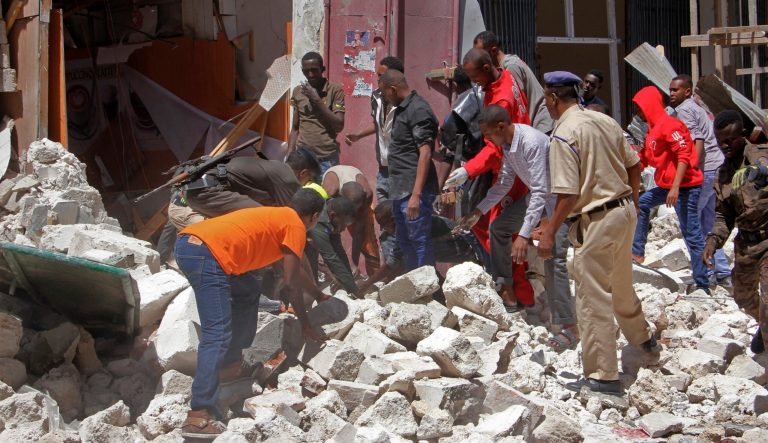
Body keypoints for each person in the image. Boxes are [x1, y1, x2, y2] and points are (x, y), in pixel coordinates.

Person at [539, 71, 659, 394]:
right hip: (623, 213)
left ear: (552, 98)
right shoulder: (603, 121)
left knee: (592, 299)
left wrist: (549, 232)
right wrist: (631, 203)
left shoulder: (563, 134)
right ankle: (644, 340)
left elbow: (567, 193)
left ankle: (603, 376)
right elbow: (634, 164)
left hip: (596, 219)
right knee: (620, 283)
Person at [177, 189, 328, 439]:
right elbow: (290, 282)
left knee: (247, 290)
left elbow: (295, 272)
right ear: (314, 217)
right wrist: (305, 323)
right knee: (217, 334)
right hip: (207, 256)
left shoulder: (279, 217)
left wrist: (318, 294)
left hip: (192, 245)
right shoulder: (296, 226)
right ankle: (199, 414)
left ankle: (228, 366)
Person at [444, 48, 533, 309]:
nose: (475, 84)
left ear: (485, 69)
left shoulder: (501, 100)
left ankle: (515, 294)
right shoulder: (507, 78)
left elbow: (494, 150)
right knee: (488, 224)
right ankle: (515, 290)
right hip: (514, 165)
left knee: (500, 230)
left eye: (476, 78)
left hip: (511, 169)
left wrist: (467, 170)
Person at [631, 86, 710, 294]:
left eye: (641, 108)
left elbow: (684, 154)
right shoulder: (652, 132)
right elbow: (645, 159)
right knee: (643, 203)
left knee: (691, 233)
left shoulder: (670, 126)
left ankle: (703, 283)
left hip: (686, 186)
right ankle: (637, 252)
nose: (639, 113)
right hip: (667, 186)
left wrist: (675, 187)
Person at [706, 110, 768, 354]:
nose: (725, 146)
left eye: (730, 140)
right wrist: (713, 241)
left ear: (742, 135)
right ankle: (764, 326)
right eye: (720, 140)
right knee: (743, 297)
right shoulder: (722, 175)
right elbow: (724, 215)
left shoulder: (761, 160)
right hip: (747, 245)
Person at [669, 74, 731, 288]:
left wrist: (689, 171)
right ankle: (721, 272)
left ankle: (704, 275)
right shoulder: (695, 108)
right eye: (670, 90)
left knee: (691, 225)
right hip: (716, 168)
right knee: (708, 225)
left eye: (675, 90)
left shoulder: (685, 110)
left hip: (704, 170)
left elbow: (697, 141)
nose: (671, 94)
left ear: (687, 91)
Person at [378, 69, 440, 270]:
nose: (385, 98)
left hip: (413, 192)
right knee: (405, 242)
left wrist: (416, 195)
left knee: (419, 241)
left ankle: (427, 289)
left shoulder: (418, 110)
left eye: (384, 92)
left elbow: (425, 153)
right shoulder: (403, 109)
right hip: (400, 190)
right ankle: (415, 285)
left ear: (393, 89)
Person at [358, 200, 478, 293]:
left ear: (393, 220)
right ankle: (438, 286)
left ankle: (437, 290)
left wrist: (367, 283)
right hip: (457, 246)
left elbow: (393, 262)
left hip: (466, 250)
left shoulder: (409, 226)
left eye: (384, 225)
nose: (384, 229)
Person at [344, 56, 405, 201]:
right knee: (384, 214)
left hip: (402, 170)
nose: (378, 79)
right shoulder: (376, 96)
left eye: (382, 75)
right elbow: (379, 123)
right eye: (378, 75)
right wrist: (359, 135)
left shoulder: (406, 101)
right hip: (384, 169)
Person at [473, 30, 553, 133]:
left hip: (541, 125)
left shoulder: (510, 67)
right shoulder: (504, 67)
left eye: (481, 54)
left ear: (493, 50)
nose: (478, 59)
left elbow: (517, 105)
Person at [185, 154, 300, 218]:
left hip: (197, 189)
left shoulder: (271, 166)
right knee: (265, 218)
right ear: (303, 172)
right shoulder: (287, 176)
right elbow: (290, 216)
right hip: (206, 190)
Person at [289, 52, 345, 175]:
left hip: (326, 159)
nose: (311, 74)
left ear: (323, 69)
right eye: (306, 71)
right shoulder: (298, 92)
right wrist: (289, 154)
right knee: (305, 193)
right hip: (303, 158)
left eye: (314, 70)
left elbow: (339, 125)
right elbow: (295, 127)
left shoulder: (335, 90)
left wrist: (317, 100)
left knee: (327, 193)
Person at [322, 165, 380, 276]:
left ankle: (375, 279)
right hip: (335, 199)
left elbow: (359, 232)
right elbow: (320, 226)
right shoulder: (330, 191)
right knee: (331, 232)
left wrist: (354, 264)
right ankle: (334, 272)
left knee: (368, 243)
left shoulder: (367, 195)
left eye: (356, 210)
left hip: (355, 201)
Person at [307, 196, 359, 295]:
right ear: (332, 215)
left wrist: (350, 282)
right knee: (309, 252)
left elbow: (339, 252)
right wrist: (355, 291)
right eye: (343, 224)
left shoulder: (334, 219)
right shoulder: (318, 220)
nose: (344, 229)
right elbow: (331, 258)